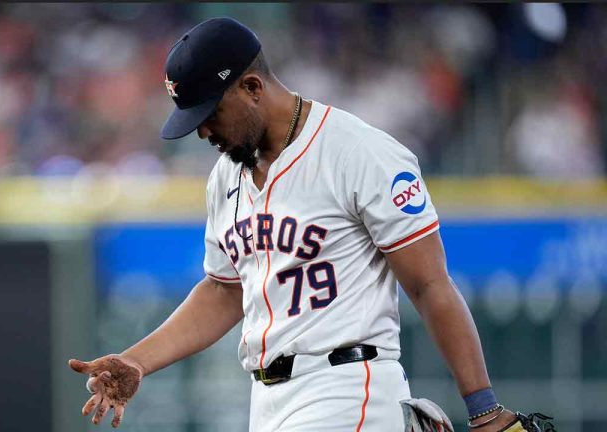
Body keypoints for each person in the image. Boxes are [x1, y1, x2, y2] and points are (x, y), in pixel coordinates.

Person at [68, 17, 555, 432]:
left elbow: (429, 285)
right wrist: (138, 360)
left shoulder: (358, 152)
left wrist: (483, 408)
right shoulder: (226, 175)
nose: (202, 131)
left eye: (210, 113)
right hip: (266, 401)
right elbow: (225, 290)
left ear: (253, 87)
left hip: (348, 385)